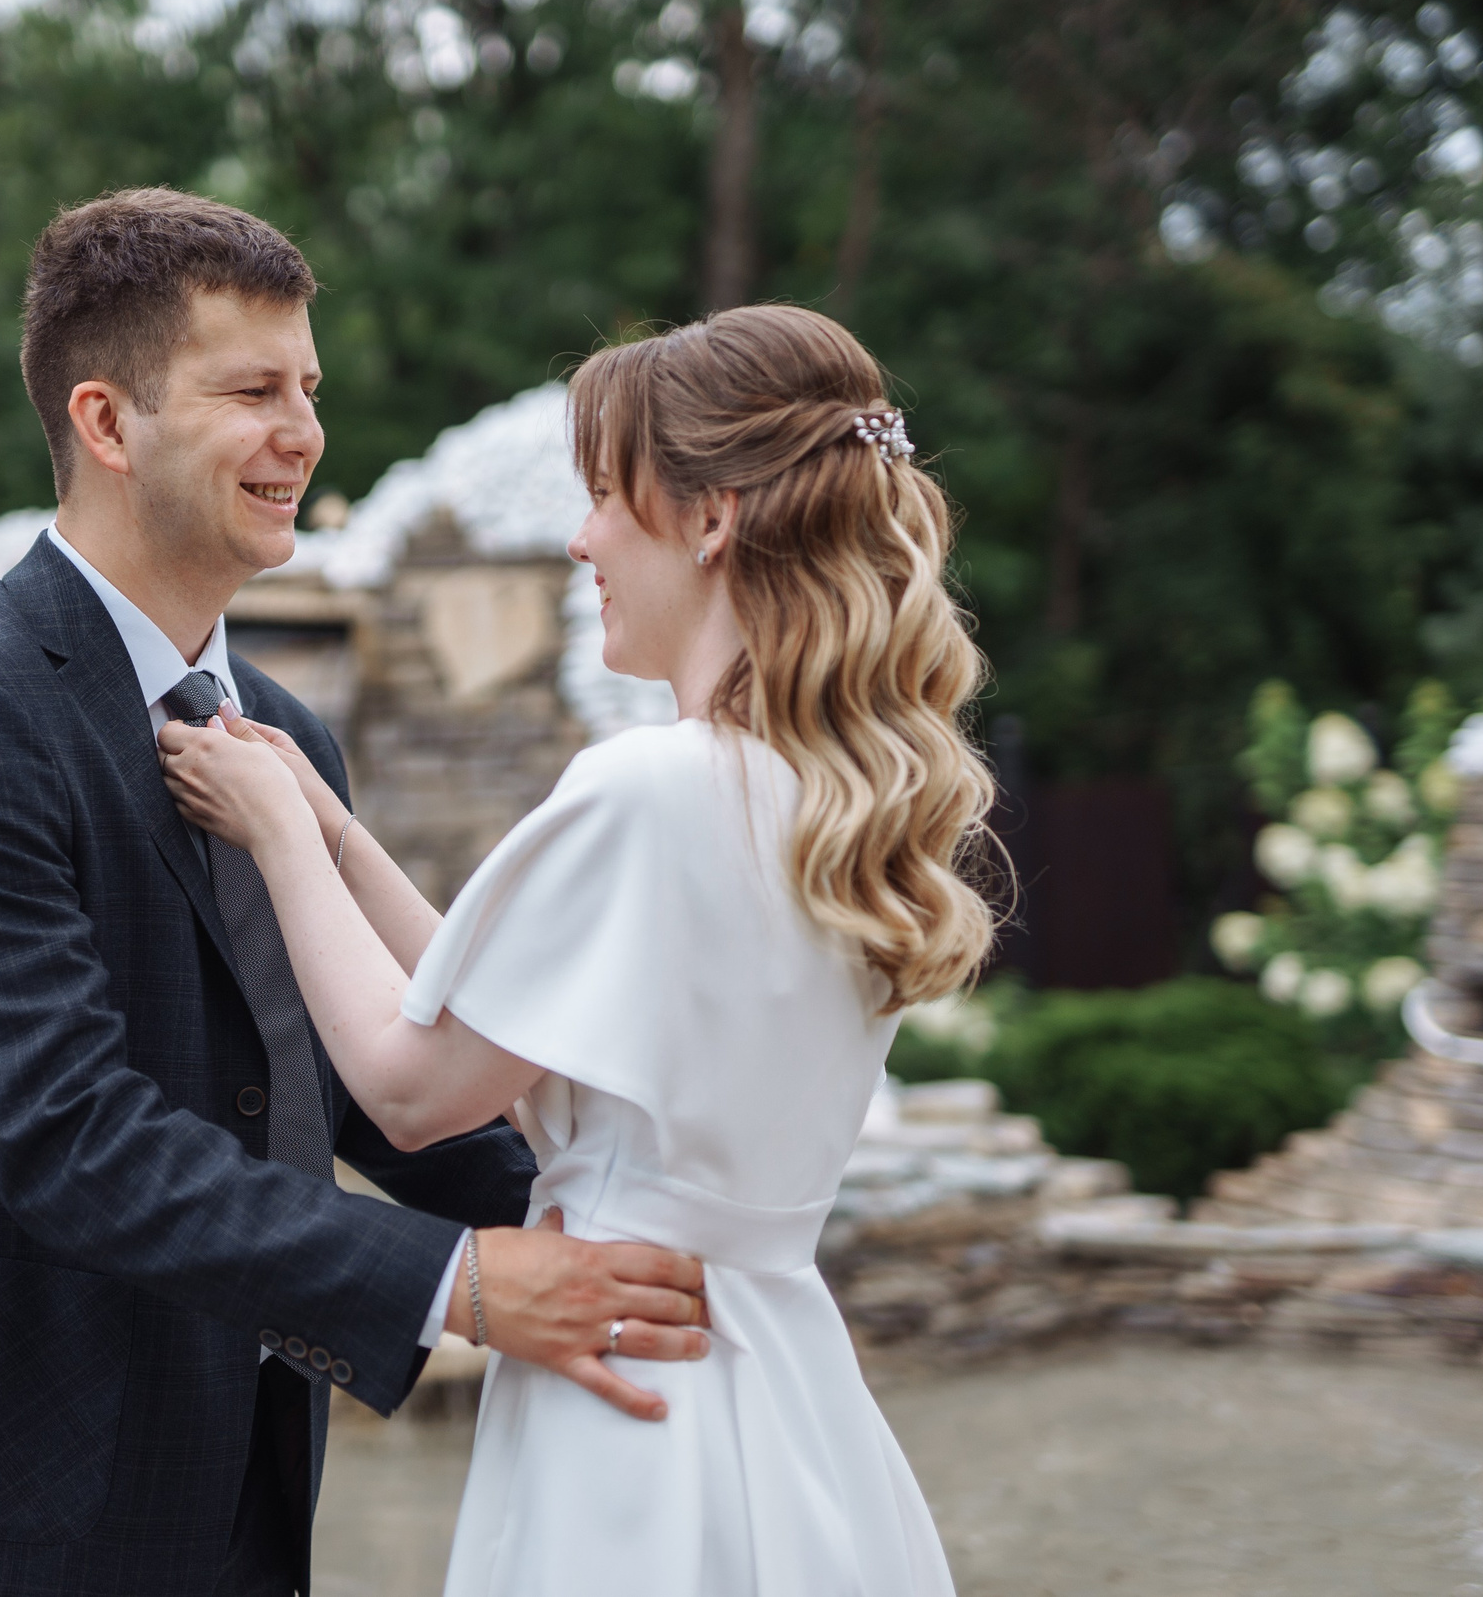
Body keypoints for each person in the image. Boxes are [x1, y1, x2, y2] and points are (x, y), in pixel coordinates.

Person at [0, 188, 713, 1597]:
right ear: (107, 422)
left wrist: (578, 1212)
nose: (305, 433)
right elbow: (65, 1134)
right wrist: (456, 1283)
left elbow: (333, 1074)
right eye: (253, 390)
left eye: (311, 387)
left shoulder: (284, 733)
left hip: (237, 1489)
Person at [160, 303, 995, 1595]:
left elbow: (411, 1086)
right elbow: (514, 1007)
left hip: (637, 1411)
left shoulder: (651, 788)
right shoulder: (837, 806)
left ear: (711, 516)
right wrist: (336, 832)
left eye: (607, 493)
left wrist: (274, 836)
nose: (580, 534)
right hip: (783, 1381)